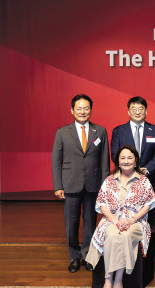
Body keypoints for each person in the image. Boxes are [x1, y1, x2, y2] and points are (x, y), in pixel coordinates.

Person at [85, 145, 155, 288]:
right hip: (113, 220)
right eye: (122, 158)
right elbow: (102, 204)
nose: (126, 161)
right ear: (117, 160)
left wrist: (131, 219)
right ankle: (107, 279)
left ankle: (118, 280)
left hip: (136, 222)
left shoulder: (143, 180)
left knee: (125, 236)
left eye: (130, 158)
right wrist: (115, 221)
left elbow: (148, 204)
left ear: (135, 160)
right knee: (111, 235)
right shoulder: (109, 180)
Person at [52, 94, 109, 273]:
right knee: (72, 222)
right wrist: (58, 185)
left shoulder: (99, 131)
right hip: (70, 184)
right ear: (72, 110)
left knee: (91, 222)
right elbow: (56, 160)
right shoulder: (62, 132)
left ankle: (88, 255)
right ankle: (74, 256)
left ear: (91, 110)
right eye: (79, 108)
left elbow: (104, 161)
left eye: (86, 108)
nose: (82, 111)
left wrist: (105, 186)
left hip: (93, 184)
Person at [111, 96, 155, 191]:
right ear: (128, 112)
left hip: (150, 177)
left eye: (140, 109)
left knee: (149, 206)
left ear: (146, 111)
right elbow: (115, 154)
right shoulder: (119, 131)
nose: (137, 112)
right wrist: (130, 169)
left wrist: (147, 169)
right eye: (134, 109)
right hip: (125, 177)